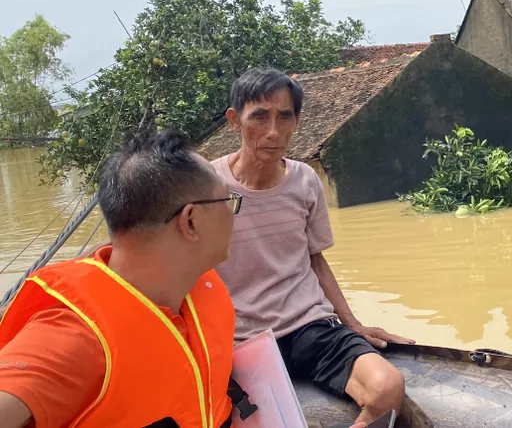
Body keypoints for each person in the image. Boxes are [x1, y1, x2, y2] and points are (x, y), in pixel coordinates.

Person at [211, 67, 414, 426]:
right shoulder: (208, 186)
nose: (274, 132)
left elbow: (315, 260)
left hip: (308, 327)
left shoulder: (305, 180)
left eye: (284, 117)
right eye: (259, 117)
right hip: (239, 340)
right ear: (234, 121)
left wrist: (352, 322)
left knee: (387, 387)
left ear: (297, 121)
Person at [0, 130, 244, 428]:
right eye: (226, 200)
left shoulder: (190, 285)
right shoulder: (74, 337)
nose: (233, 213)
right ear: (190, 221)